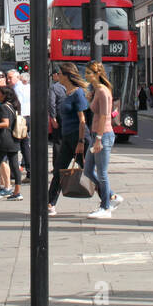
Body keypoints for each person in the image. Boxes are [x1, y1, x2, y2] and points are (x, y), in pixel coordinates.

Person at [47, 64, 89, 215]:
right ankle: (50, 204)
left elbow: (82, 120)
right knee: (59, 171)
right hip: (67, 138)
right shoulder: (67, 92)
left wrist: (81, 142)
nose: (57, 75)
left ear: (66, 75)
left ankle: (108, 197)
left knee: (89, 172)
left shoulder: (78, 94)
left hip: (77, 138)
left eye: (59, 73)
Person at [83, 61, 119, 217]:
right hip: (95, 135)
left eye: (89, 73)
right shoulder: (97, 90)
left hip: (103, 135)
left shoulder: (103, 91)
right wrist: (90, 98)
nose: (86, 76)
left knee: (102, 173)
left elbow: (104, 115)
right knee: (88, 171)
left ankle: (105, 207)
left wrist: (98, 139)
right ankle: (111, 196)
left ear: (97, 74)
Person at [8, 68, 31, 182]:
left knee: (16, 145)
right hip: (28, 117)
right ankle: (29, 171)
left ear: (18, 77)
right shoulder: (27, 87)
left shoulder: (16, 89)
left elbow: (18, 105)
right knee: (25, 145)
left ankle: (15, 172)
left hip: (21, 119)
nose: (8, 80)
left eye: (10, 78)